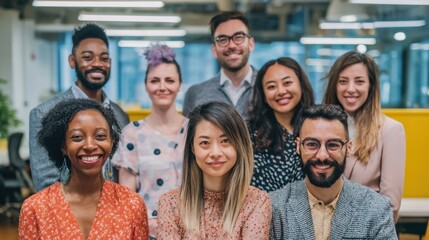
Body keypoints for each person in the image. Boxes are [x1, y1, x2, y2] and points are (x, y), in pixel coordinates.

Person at [19, 99, 148, 239]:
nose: (90, 145)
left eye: (100, 136)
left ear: (111, 142)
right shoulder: (35, 208)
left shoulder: (132, 204)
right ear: (63, 146)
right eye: (77, 137)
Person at [270, 104, 397, 240]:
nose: (322, 155)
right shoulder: (275, 207)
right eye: (312, 144)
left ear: (348, 148)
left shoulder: (376, 209)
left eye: (333, 145)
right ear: (298, 146)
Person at [29, 23, 130, 191]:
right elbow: (46, 184)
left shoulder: (120, 116)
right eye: (88, 57)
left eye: (104, 58)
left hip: (114, 212)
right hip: (66, 213)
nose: (97, 64)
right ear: (72, 61)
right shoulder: (44, 113)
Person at [157, 102, 271, 239]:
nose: (215, 152)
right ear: (193, 148)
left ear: (240, 145)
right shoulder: (170, 203)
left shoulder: (256, 201)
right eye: (205, 143)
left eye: (225, 140)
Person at [112, 44, 188, 239]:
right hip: (148, 234)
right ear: (146, 85)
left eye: (169, 80)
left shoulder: (195, 131)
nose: (162, 87)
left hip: (192, 231)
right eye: (155, 81)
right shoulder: (132, 133)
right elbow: (127, 200)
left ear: (180, 85)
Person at [323, 51, 405, 222]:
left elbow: (391, 205)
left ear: (371, 86)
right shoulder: (321, 128)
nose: (350, 89)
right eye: (343, 81)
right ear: (334, 85)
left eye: (359, 81)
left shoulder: (390, 130)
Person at [248, 57, 314, 192]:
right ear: (263, 94)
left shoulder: (319, 126)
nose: (281, 91)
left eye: (287, 83)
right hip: (262, 211)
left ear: (301, 84)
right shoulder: (248, 133)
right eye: (271, 86)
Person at [183, 10, 256, 118]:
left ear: (250, 44)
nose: (231, 45)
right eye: (222, 39)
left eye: (239, 37)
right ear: (214, 50)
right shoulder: (195, 93)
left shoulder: (270, 88)